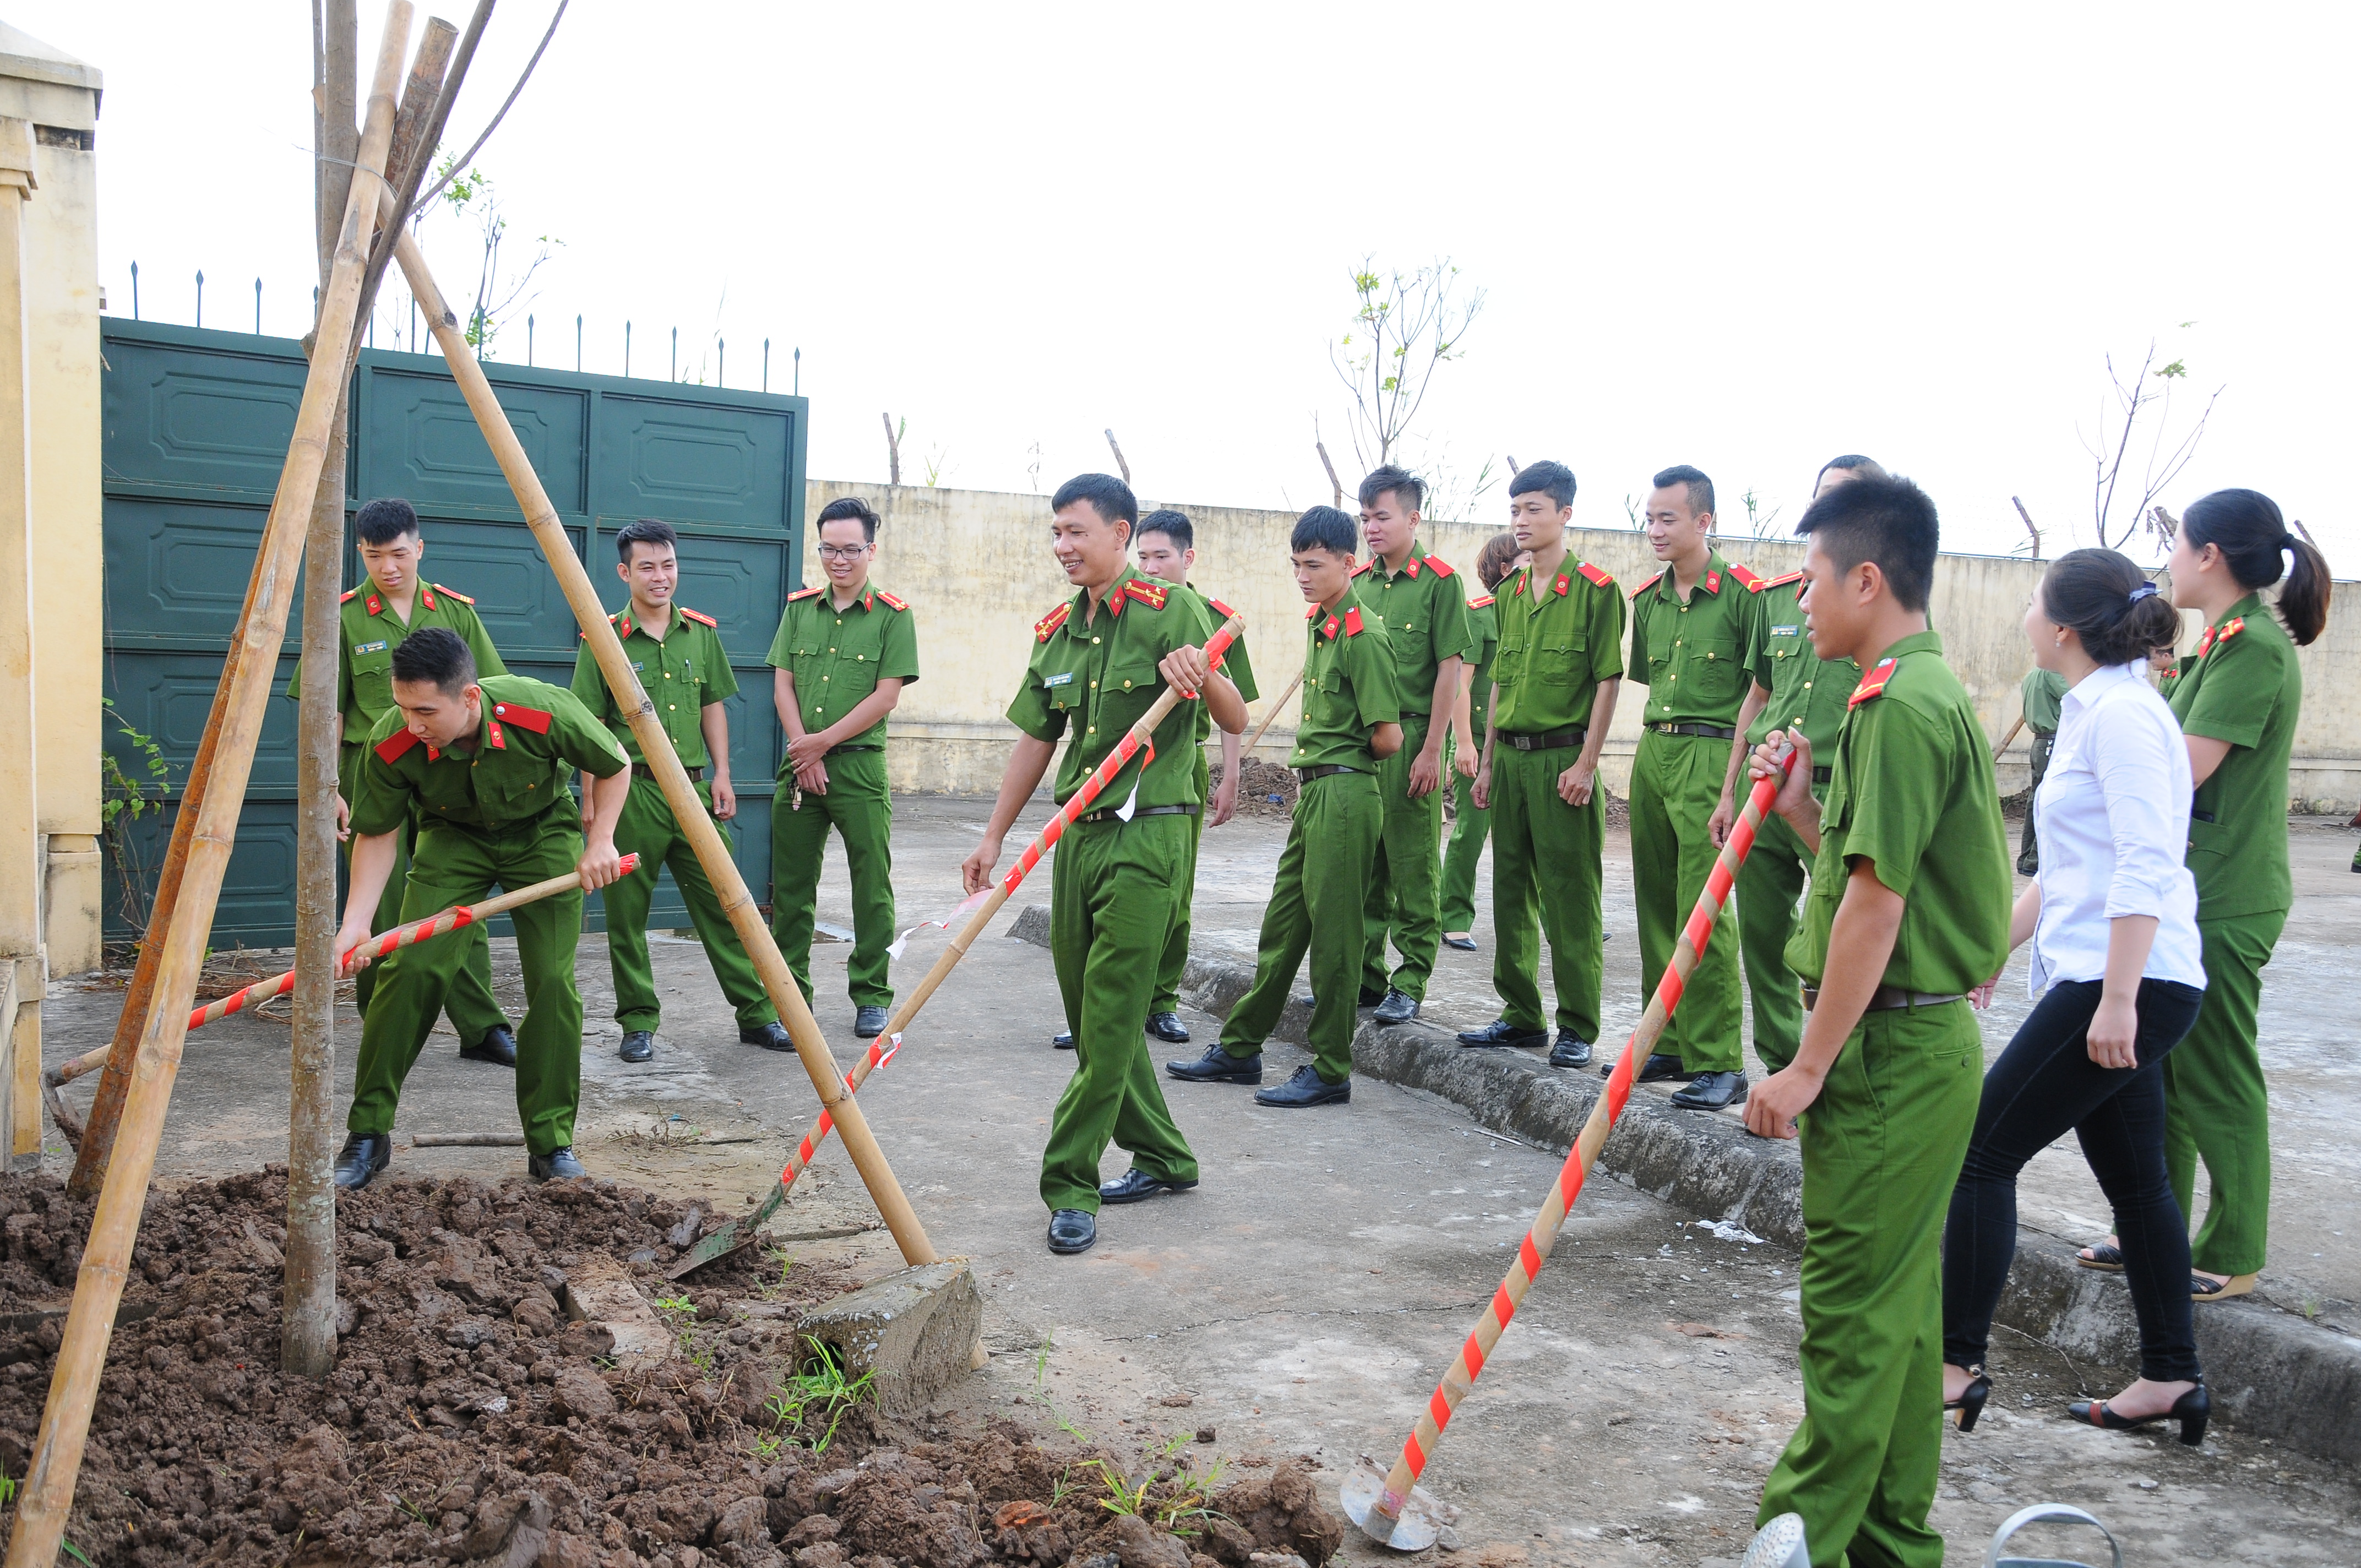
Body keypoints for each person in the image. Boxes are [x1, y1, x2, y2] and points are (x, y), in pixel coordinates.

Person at [1741, 473, 2009, 1568]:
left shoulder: (1898, 705)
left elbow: (1876, 903)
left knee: (1850, 1308)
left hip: (1889, 1050)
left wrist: (1806, 1063)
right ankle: (1889, 1537)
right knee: (1896, 1312)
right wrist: (1804, 807)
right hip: (1908, 1036)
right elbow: (1870, 871)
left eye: (1809, 580)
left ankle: (1795, 1530)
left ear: (1864, 576)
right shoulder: (1901, 693)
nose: (1798, 603)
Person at [1941, 548, 2210, 1446]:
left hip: (2123, 978)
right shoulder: (2096, 707)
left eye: (2030, 598)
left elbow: (2143, 860)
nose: (2021, 608)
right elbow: (2069, 872)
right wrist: (1992, 951)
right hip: (2105, 972)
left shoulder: (2125, 715)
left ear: (2060, 627)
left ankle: (1952, 1362)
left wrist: (2118, 998)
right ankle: (2170, 1376)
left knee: (1979, 1150)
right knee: (2137, 1186)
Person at [960, 473, 1246, 1256]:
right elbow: (1036, 738)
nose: (1063, 547)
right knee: (1094, 1021)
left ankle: (1071, 1182)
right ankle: (1163, 1154)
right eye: (1056, 533)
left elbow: (1236, 715)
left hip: (1149, 834)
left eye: (1077, 532)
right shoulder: (1058, 629)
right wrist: (994, 837)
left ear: (1121, 534)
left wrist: (1202, 672)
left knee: (1115, 1009)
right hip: (1077, 835)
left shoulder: (1172, 609)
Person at [2080, 490, 2332, 1301]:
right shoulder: (2219, 646)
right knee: (2163, 1066)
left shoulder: (2255, 649)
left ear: (2210, 558)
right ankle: (2148, 1225)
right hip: (2191, 885)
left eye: (2177, 546)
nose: (2169, 562)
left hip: (2229, 887)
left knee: (2215, 1067)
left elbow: (2180, 772)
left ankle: (2233, 1248)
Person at [329, 628, 633, 1189]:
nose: (412, 724)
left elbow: (615, 763)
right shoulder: (391, 739)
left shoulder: (537, 709)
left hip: (542, 836)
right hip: (452, 840)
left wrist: (601, 840)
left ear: (469, 698)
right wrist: (355, 923)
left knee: (552, 983)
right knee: (411, 968)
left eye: (425, 711)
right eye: (402, 707)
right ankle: (368, 1133)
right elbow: (376, 834)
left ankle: (550, 1143)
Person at [1166, 506, 1400, 1106]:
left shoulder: (1361, 633)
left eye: (1314, 565)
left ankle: (1330, 1068)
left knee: (1336, 938)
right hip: (1317, 791)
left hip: (1347, 790)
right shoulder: (1322, 623)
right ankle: (1241, 1047)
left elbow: (1389, 736)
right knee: (1283, 927)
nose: (1301, 574)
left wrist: (1343, 761)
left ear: (1350, 564)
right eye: (1296, 564)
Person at [286, 496, 518, 1066]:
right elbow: (325, 710)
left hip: (449, 777)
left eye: (397, 554)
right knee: (383, 910)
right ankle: (383, 1020)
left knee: (460, 904)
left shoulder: (455, 612)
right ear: (359, 554)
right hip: (374, 777)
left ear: (418, 548)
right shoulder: (341, 616)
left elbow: (489, 694)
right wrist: (326, 789)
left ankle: (482, 1027)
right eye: (373, 556)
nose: (387, 568)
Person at [571, 519, 787, 1063]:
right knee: (626, 918)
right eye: (646, 566)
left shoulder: (701, 633)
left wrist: (722, 773)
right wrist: (593, 805)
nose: (659, 576)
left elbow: (714, 704)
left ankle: (756, 1015)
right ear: (624, 573)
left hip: (692, 793)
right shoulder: (603, 640)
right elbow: (590, 727)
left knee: (727, 905)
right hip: (631, 794)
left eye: (667, 564)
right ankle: (638, 1023)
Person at [1457, 463, 1625, 1068]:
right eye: (1515, 511)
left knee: (1571, 895)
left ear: (1564, 514)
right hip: (1512, 763)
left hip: (1562, 760)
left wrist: (1587, 763)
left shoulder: (1596, 591)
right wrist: (1485, 763)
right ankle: (1521, 1014)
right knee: (1509, 889)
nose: (1521, 522)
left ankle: (1578, 1022)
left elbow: (1607, 680)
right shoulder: (1507, 594)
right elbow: (1499, 684)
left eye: (1533, 509)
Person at [1726, 455, 1882, 1079]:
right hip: (1764, 787)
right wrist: (1726, 791)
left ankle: (1839, 1070)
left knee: (1833, 935)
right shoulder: (1777, 599)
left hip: (1834, 795)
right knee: (1763, 939)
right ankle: (1782, 1066)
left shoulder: (1878, 602)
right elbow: (1757, 697)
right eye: (1822, 497)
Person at [1625, 465, 1764, 1109]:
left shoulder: (1743, 596)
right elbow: (1648, 684)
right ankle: (1671, 1041)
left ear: (1703, 521)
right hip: (1656, 747)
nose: (1653, 530)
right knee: (1655, 902)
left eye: (1667, 518)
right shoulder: (1648, 601)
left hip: (1713, 754)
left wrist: (1733, 783)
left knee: (1702, 908)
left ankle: (1719, 1060)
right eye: (1648, 517)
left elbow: (1758, 693)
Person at [769, 496, 920, 1039]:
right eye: (829, 549)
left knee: (871, 887)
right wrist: (800, 747)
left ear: (870, 550)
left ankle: (872, 996)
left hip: (858, 770)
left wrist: (821, 744)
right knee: (790, 890)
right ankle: (790, 998)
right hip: (798, 771)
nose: (839, 560)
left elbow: (886, 697)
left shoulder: (893, 617)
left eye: (850, 549)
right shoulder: (798, 609)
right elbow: (782, 682)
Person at [1352, 465, 1477, 1025]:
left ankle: (1411, 977)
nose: (1371, 528)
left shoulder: (1440, 582)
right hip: (1361, 743)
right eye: (1364, 518)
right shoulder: (1358, 582)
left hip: (1411, 739)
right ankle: (1365, 976)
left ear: (1411, 517)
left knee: (1412, 864)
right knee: (1365, 865)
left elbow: (1451, 668)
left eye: (1381, 516)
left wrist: (1434, 750)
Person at [1132, 509, 1258, 1046]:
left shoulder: (1214, 619)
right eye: (1143, 556)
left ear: (1188, 558)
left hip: (1178, 769)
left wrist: (1228, 778)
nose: (1151, 567)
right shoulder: (1122, 610)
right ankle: (1097, 1008)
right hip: (1117, 770)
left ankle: (1161, 1001)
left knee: (1171, 898)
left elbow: (1232, 709)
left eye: (1161, 556)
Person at [1439, 532, 1522, 952]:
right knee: (1471, 831)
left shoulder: (1533, 613)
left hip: (1520, 740)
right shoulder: (1480, 615)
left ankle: (1551, 917)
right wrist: (1465, 745)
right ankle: (1453, 916)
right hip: (1477, 739)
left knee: (1532, 836)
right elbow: (1461, 684)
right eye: (1525, 561)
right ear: (1506, 569)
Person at [2014, 665, 2068, 875]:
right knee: (2048, 800)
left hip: (2040, 743)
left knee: (2035, 800)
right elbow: (2076, 697)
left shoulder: (2031, 676)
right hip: (2052, 742)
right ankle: (2035, 860)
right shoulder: (2053, 674)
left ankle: (2027, 857)